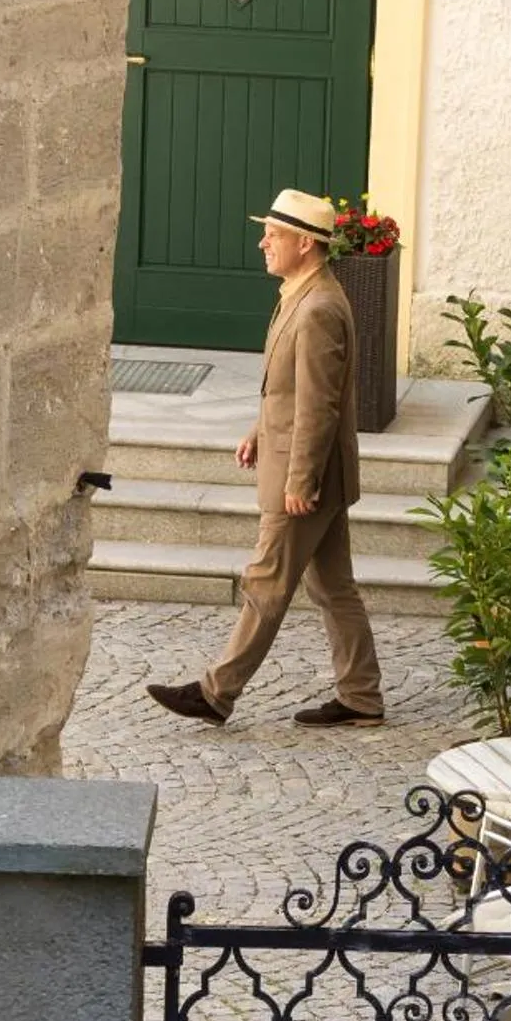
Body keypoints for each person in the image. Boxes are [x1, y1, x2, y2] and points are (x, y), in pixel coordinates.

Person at [147, 189, 385, 728]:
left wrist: (300, 480)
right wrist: (260, 429)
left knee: (265, 582)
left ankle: (216, 693)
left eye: (273, 235)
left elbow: (319, 405)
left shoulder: (318, 307)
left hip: (305, 477)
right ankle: (361, 696)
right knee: (333, 587)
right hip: (306, 466)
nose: (263, 243)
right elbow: (293, 389)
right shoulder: (302, 294)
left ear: (305, 243)